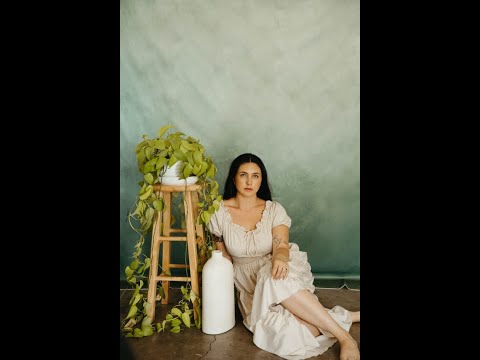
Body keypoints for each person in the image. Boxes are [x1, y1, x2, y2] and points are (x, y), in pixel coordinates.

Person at [207, 153, 360, 360]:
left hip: (275, 268)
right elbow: (222, 256)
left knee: (274, 277)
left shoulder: (273, 210)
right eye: (243, 175)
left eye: (256, 176)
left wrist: (279, 257)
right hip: (247, 283)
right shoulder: (218, 212)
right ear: (233, 178)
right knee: (289, 336)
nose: (249, 181)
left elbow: (281, 244)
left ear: (262, 180)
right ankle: (345, 316)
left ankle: (345, 339)